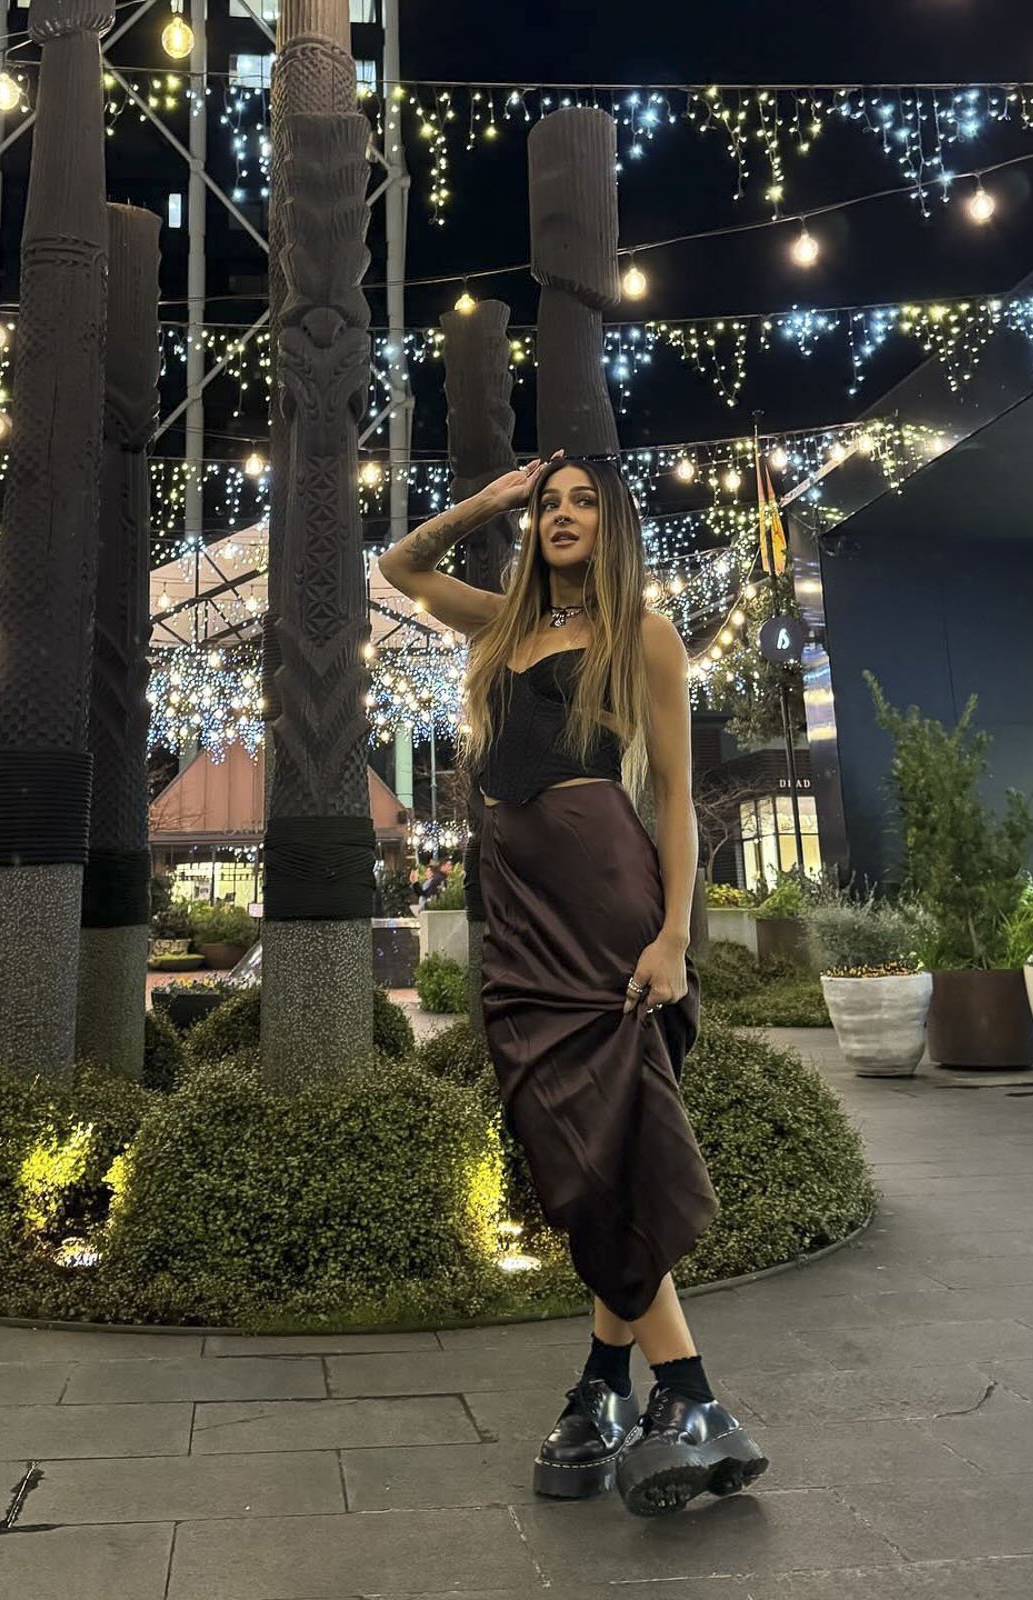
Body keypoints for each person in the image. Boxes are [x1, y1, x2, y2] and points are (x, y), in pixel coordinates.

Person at [377, 454, 768, 1519]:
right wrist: (490, 499)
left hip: (605, 901)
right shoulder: (501, 625)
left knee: (605, 1139)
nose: (561, 515)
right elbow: (400, 566)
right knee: (573, 1142)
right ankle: (611, 1386)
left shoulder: (642, 634)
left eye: (581, 501)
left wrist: (674, 933)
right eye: (550, 503)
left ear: (612, 524)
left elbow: (676, 797)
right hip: (516, 912)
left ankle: (678, 1394)